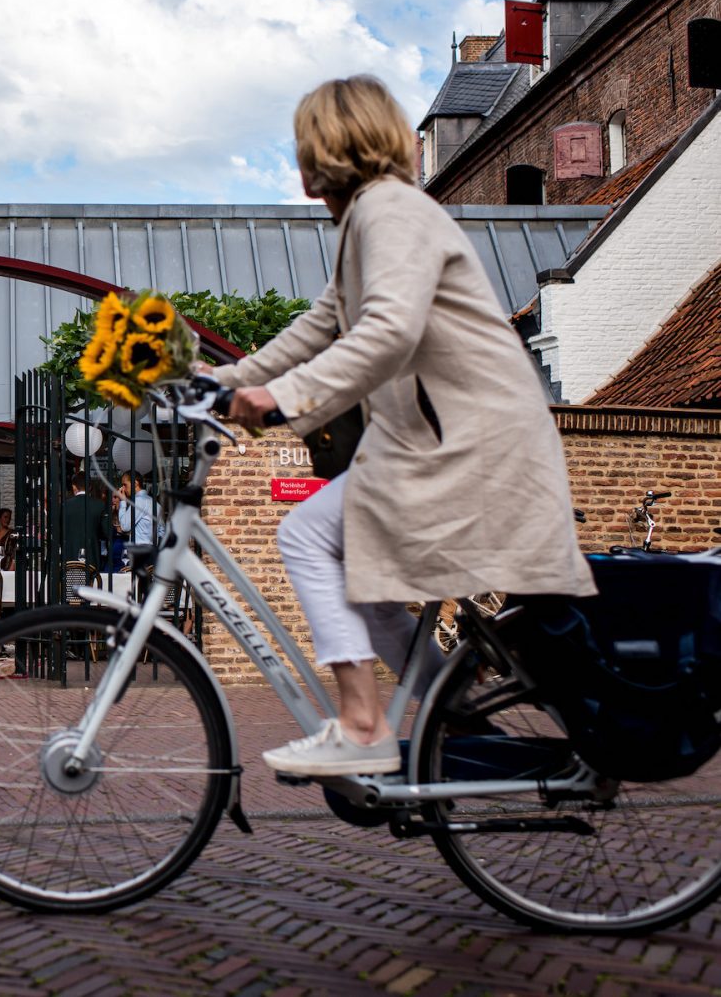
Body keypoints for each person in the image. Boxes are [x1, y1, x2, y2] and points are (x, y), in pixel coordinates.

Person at [201, 74, 594, 777]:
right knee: (368, 582)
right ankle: (455, 705)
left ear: (333, 145)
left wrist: (278, 397)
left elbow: (387, 331)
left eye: (304, 143)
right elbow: (317, 327)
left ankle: (361, 725)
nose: (298, 160)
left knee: (307, 534)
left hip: (464, 444)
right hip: (441, 442)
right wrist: (221, 382)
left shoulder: (391, 213)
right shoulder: (369, 221)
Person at [60, 471, 108, 565]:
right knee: (91, 579)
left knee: (71, 579)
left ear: (74, 487)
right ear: (90, 487)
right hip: (92, 557)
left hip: (69, 557)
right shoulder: (100, 505)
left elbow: (59, 532)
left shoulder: (64, 506)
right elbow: (106, 532)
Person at [117, 472, 158, 562]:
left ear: (135, 483)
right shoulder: (153, 502)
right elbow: (161, 530)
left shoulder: (138, 501)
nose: (123, 489)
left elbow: (124, 526)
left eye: (125, 485)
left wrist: (123, 501)